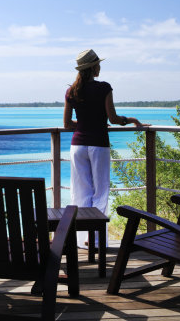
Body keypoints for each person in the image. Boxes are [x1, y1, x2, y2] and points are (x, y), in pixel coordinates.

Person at [63, 49, 144, 248]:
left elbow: (67, 125)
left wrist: (84, 125)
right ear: (93, 67)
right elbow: (114, 119)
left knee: (81, 192)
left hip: (78, 146)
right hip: (98, 145)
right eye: (98, 64)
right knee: (100, 192)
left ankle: (83, 241)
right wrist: (132, 120)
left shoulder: (71, 91)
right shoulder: (104, 88)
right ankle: (97, 240)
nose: (100, 67)